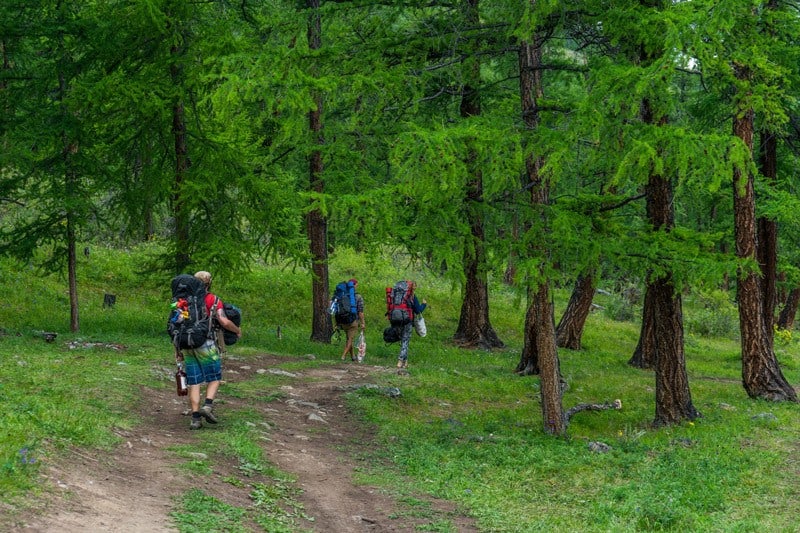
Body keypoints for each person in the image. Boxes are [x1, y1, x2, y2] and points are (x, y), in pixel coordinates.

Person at [183, 270, 241, 430]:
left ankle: (195, 419)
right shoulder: (213, 299)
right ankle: (207, 406)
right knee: (214, 377)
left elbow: (178, 323)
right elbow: (223, 320)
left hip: (187, 344)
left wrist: (177, 349)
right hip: (206, 343)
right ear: (209, 283)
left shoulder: (184, 301)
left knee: (194, 381)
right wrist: (237, 330)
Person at [397, 281, 426, 369]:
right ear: (413, 287)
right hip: (407, 321)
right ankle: (400, 360)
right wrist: (424, 304)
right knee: (405, 340)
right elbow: (418, 310)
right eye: (415, 286)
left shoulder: (398, 295)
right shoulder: (412, 296)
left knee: (403, 340)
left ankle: (405, 362)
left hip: (397, 320)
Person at [339, 279, 365, 362]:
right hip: (353, 321)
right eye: (356, 285)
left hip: (343, 321)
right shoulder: (358, 297)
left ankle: (353, 357)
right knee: (350, 339)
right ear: (354, 285)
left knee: (348, 338)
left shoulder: (342, 295)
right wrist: (363, 323)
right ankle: (343, 356)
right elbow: (360, 312)